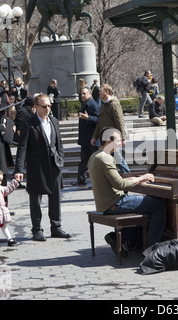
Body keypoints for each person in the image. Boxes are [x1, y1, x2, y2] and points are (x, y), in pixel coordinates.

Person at [88, 127, 166, 255]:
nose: (120, 144)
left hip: (105, 203)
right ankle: (152, 248)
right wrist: (142, 178)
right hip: (115, 203)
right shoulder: (106, 158)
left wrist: (137, 180)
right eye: (118, 141)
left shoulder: (94, 156)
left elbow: (115, 180)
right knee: (158, 204)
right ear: (109, 141)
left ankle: (126, 239)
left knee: (145, 205)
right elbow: (120, 184)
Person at [14, 93, 71, 241]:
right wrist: (19, 169)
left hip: (54, 165)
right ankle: (37, 230)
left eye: (49, 106)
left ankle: (56, 227)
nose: (48, 108)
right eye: (44, 106)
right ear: (36, 107)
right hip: (37, 167)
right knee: (35, 199)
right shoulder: (28, 123)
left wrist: (61, 159)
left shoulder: (53, 121)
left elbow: (60, 143)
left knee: (55, 198)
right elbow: (22, 147)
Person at [91, 84, 130, 173]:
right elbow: (99, 122)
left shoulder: (114, 104)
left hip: (112, 137)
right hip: (105, 138)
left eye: (101, 91)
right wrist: (95, 136)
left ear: (107, 92)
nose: (99, 93)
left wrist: (123, 138)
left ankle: (129, 176)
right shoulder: (103, 105)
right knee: (108, 159)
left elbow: (120, 121)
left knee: (118, 159)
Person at [72, 86, 99, 187]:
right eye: (81, 94)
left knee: (96, 161)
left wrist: (88, 118)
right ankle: (81, 181)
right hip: (85, 139)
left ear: (89, 94)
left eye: (84, 93)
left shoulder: (93, 105)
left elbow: (98, 120)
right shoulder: (85, 103)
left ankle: (98, 182)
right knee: (83, 161)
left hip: (92, 139)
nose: (82, 95)